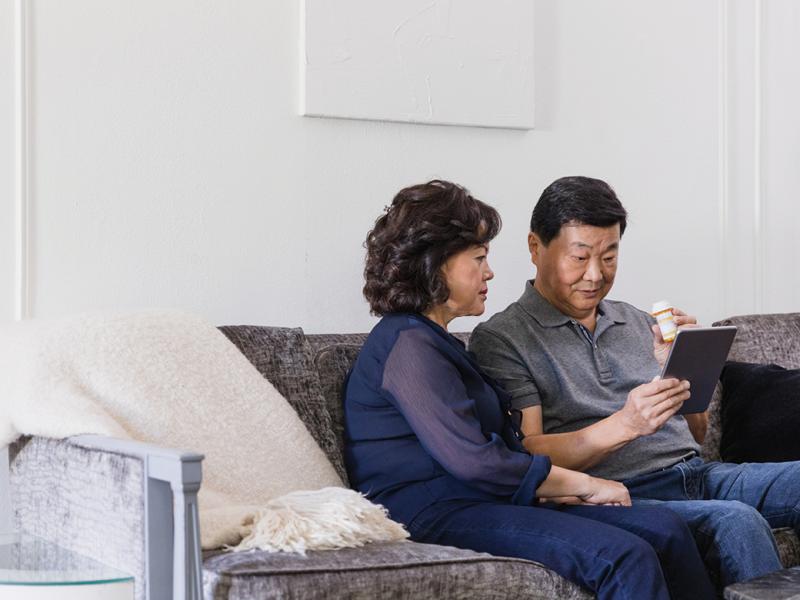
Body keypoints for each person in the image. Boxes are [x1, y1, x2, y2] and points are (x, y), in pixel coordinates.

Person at [344, 179, 715, 600]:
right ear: (435, 264)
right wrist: (586, 485)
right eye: (479, 258)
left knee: (666, 528)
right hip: (432, 512)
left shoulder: (435, 341)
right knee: (623, 556)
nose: (490, 272)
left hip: (479, 500)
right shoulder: (407, 345)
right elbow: (476, 463)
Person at [470, 175, 800, 589]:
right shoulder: (503, 339)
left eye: (609, 257)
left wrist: (685, 368)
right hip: (621, 494)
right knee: (736, 520)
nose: (595, 275)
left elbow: (697, 433)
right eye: (580, 257)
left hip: (697, 474)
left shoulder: (637, 320)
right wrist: (626, 424)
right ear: (536, 247)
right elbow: (528, 453)